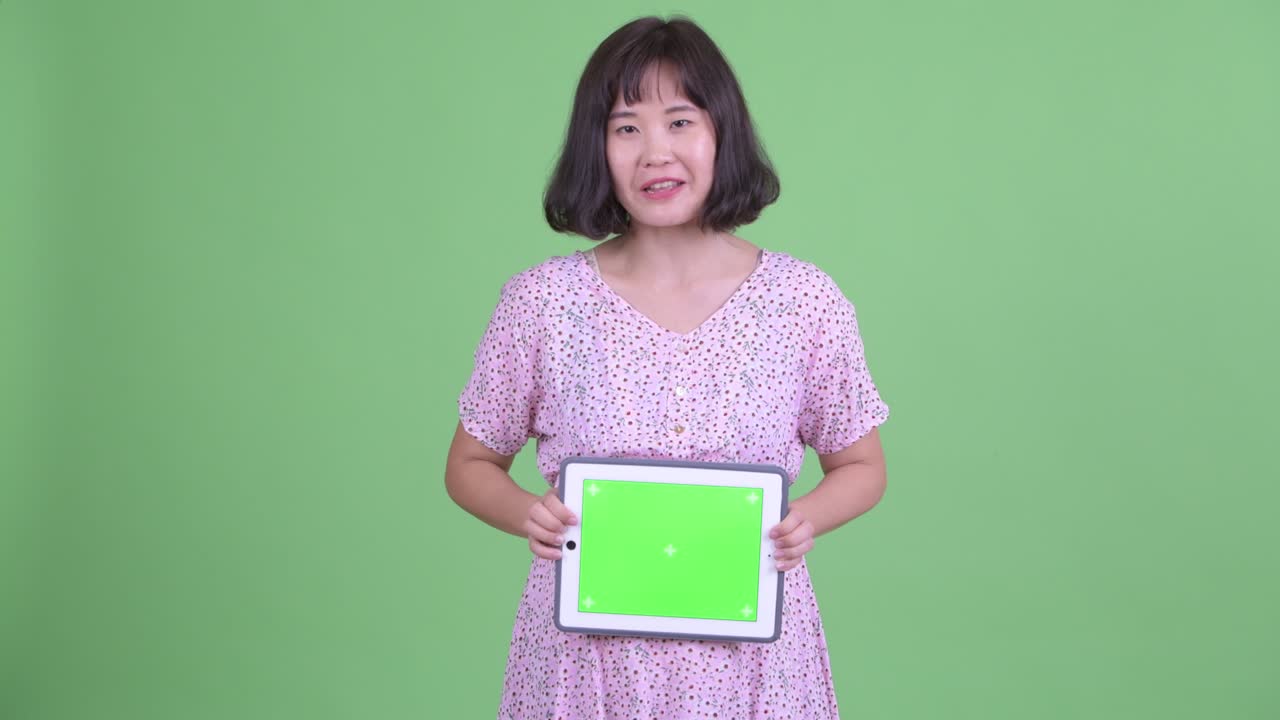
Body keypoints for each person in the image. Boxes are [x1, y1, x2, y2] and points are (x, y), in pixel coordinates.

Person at [444, 15, 891, 719]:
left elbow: (863, 466)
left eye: (680, 121)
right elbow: (469, 464)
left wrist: (800, 521)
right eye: (626, 127)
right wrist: (530, 514)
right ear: (597, 148)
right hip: (587, 660)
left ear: (724, 134)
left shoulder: (805, 300)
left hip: (752, 662)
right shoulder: (541, 302)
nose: (655, 151)